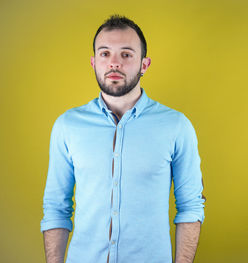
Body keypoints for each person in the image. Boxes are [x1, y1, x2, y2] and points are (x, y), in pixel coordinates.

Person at [40, 14, 206, 263]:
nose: (114, 63)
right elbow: (56, 207)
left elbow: (190, 206)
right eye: (104, 53)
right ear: (93, 62)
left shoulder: (176, 126)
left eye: (126, 54)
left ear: (144, 65)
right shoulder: (67, 125)